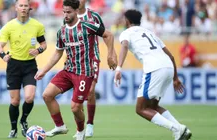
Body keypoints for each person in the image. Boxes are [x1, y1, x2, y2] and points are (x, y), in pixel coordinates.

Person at [34, 0, 117, 140]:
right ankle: (60, 126)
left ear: (76, 11)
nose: (65, 15)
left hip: (84, 73)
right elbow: (57, 53)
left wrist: (110, 55)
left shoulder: (87, 25)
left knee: (75, 107)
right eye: (64, 12)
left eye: (68, 12)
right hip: (68, 71)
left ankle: (81, 131)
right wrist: (44, 70)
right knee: (47, 95)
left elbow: (108, 35)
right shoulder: (62, 31)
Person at [114, 9, 192, 140]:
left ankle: (177, 128)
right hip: (168, 66)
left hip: (154, 69)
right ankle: (182, 129)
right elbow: (171, 56)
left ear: (127, 21)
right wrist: (175, 78)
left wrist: (118, 68)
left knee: (140, 108)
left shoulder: (126, 33)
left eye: (124, 19)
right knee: (153, 106)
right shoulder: (149, 32)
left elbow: (125, 46)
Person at [0, 0, 47, 138]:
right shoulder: (8, 26)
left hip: (30, 65)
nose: (23, 8)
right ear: (16, 8)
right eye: (21, 6)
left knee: (30, 97)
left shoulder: (37, 25)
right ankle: (13, 128)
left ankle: (23, 120)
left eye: (26, 6)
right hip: (14, 66)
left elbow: (43, 43)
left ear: (29, 8)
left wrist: (39, 50)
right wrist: (3, 56)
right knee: (15, 101)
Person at [72, 0, 106, 138]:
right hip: (76, 61)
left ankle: (90, 124)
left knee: (91, 90)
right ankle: (79, 129)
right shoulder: (69, 17)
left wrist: (111, 54)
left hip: (92, 58)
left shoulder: (94, 16)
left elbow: (105, 34)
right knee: (78, 95)